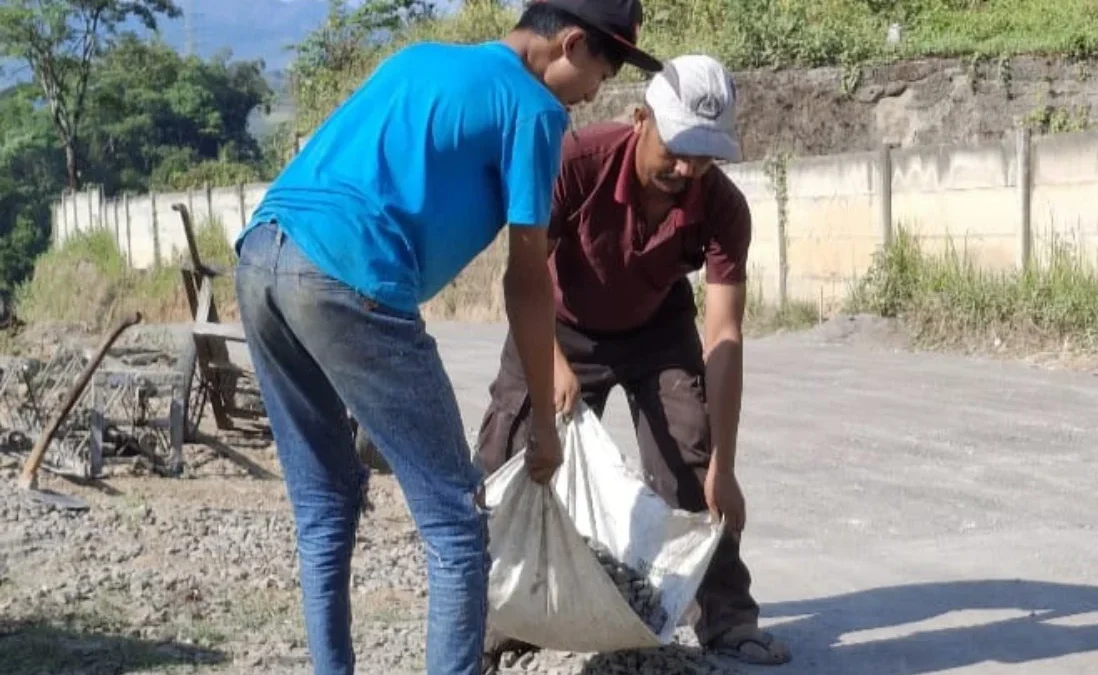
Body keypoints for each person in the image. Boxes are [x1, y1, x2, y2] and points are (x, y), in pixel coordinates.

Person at [231, 1, 663, 674]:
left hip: (261, 256)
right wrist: (545, 429)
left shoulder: (422, 58)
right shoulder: (536, 111)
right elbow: (526, 279)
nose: (594, 96)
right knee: (458, 521)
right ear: (571, 45)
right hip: (351, 275)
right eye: (601, 75)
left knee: (324, 500)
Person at [474, 54, 792, 667]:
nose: (685, 168)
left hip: (655, 329)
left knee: (690, 458)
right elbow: (522, 273)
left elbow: (723, 335)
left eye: (703, 155)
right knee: (512, 456)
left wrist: (724, 465)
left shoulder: (723, 209)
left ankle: (727, 617)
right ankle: (498, 616)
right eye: (676, 149)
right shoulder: (576, 163)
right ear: (642, 118)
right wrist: (552, 364)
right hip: (558, 323)